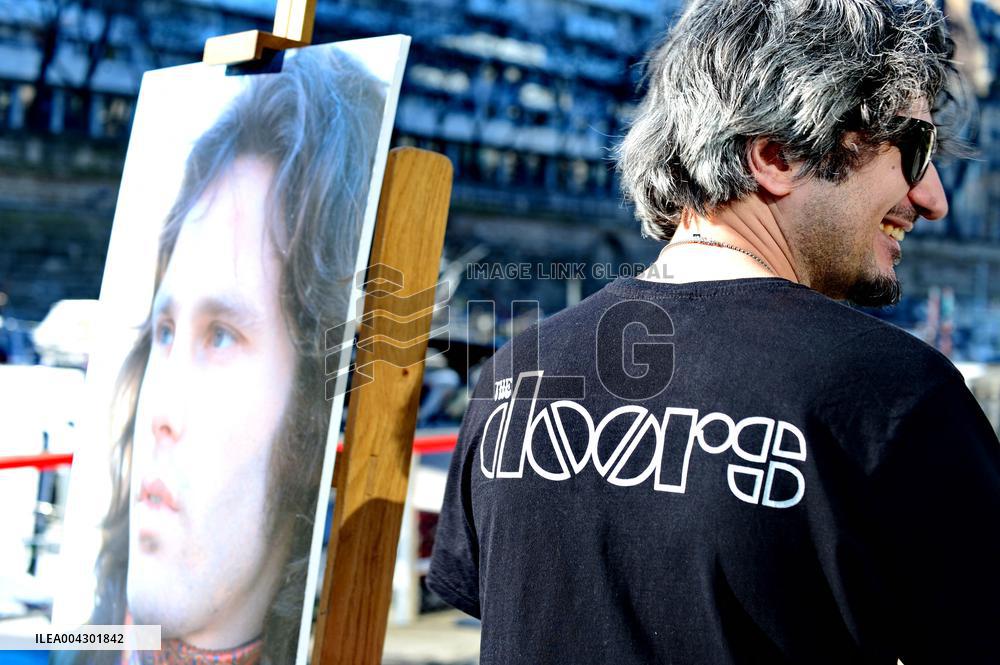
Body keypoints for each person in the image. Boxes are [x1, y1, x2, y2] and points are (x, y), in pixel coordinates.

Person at [428, 1, 1000, 663]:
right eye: (914, 150)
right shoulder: (893, 399)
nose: (933, 198)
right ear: (777, 154)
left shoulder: (514, 376)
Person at [65, 46, 386, 665]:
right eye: (163, 331)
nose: (158, 412)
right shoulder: (70, 644)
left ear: (310, 411)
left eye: (220, 336)